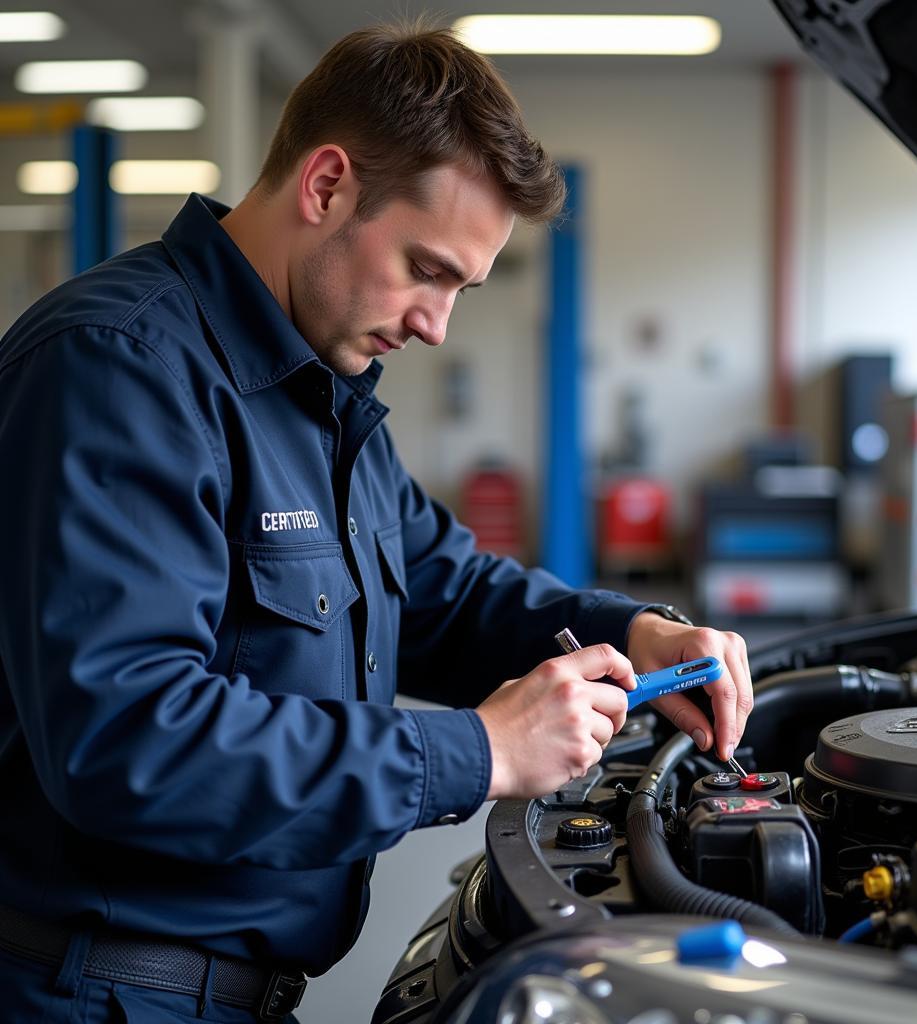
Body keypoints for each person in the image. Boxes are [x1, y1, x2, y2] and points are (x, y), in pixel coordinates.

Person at [0, 20, 752, 1023]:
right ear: (326, 186)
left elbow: (443, 590)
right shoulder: (119, 367)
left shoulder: (324, 393)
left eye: (463, 289)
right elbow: (130, 738)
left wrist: (631, 632)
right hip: (94, 993)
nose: (436, 324)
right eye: (427, 269)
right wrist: (475, 752)